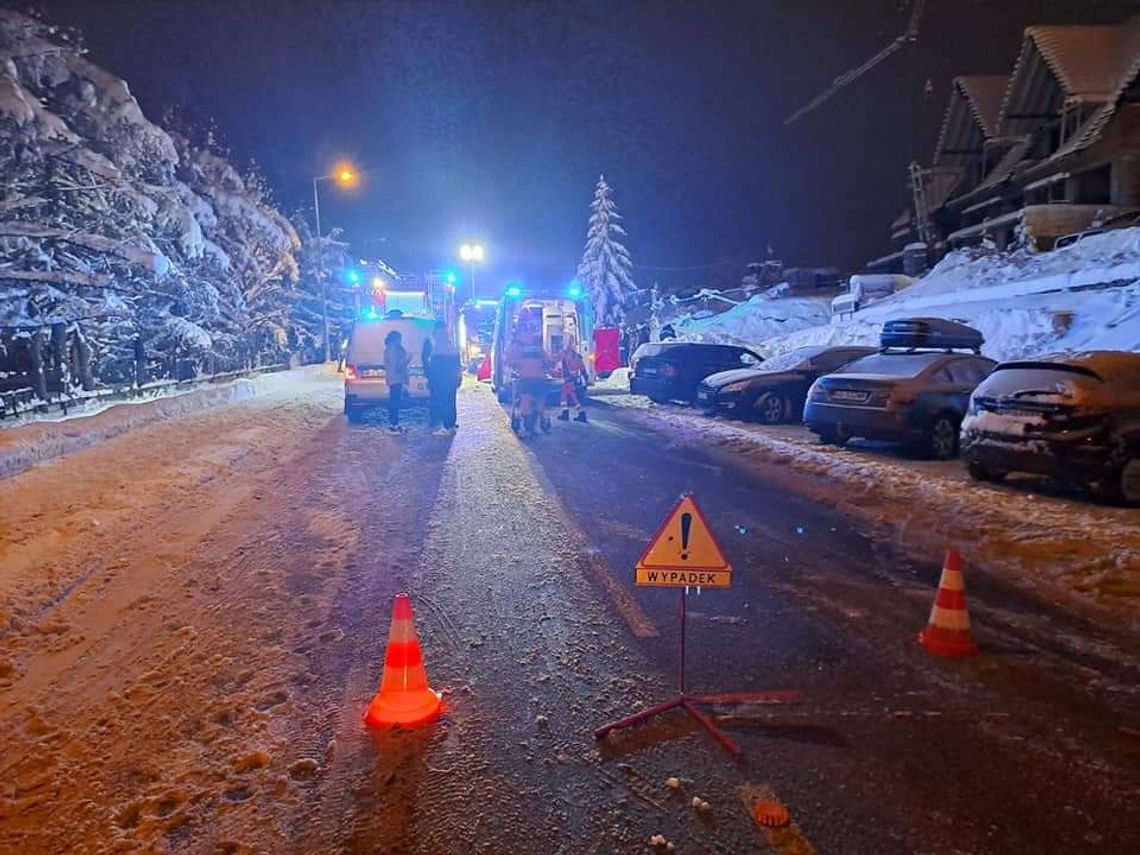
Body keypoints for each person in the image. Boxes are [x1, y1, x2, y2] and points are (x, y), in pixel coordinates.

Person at [507, 318, 550, 438]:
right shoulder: (533, 344)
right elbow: (548, 359)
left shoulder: (518, 345)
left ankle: (529, 428)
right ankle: (530, 428)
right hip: (535, 378)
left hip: (529, 378)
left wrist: (517, 366)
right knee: (533, 405)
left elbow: (509, 360)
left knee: (532, 405)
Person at [424, 320, 461, 435]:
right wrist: (458, 377)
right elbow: (457, 364)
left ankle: (447, 426)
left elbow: (431, 364)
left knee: (443, 400)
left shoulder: (435, 345)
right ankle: (451, 424)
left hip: (441, 376)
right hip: (451, 376)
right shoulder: (451, 344)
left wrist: (430, 378)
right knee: (451, 399)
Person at [383, 329, 409, 433]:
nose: (401, 340)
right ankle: (393, 425)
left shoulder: (390, 348)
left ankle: (394, 424)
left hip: (394, 378)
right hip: (396, 378)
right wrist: (407, 361)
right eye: (399, 338)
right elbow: (396, 366)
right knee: (395, 401)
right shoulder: (393, 349)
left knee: (394, 400)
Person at [556, 339, 588, 423]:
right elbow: (582, 368)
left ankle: (571, 413)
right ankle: (575, 413)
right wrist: (585, 378)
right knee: (568, 395)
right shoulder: (576, 355)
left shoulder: (564, 354)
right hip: (574, 378)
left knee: (567, 396)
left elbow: (555, 359)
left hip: (568, 378)